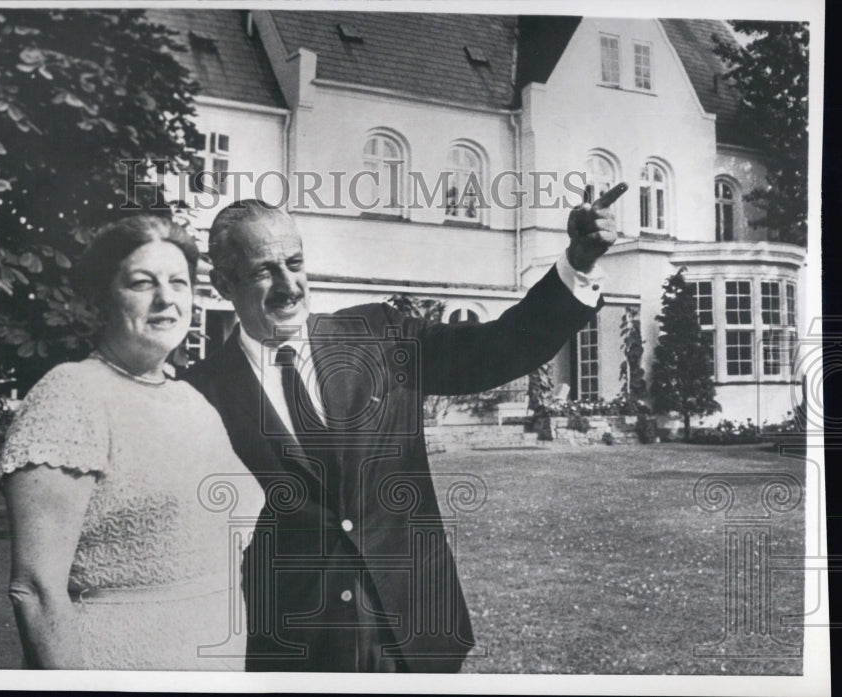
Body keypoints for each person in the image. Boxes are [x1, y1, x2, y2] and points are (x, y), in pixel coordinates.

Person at [186, 186, 626, 672]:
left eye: (295, 262)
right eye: (264, 271)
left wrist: (577, 266)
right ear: (223, 284)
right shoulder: (196, 396)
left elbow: (499, 347)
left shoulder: (380, 334)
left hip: (416, 635)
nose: (289, 285)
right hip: (298, 654)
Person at [0, 214, 264, 670]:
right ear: (102, 297)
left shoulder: (189, 399)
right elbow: (36, 591)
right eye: (142, 284)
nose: (166, 299)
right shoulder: (72, 394)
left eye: (179, 283)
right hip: (121, 663)